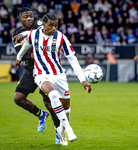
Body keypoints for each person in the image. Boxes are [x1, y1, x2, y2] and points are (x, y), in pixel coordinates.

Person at [16, 13, 91, 146]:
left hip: (59, 75)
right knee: (53, 94)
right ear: (43, 24)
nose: (53, 28)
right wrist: (18, 58)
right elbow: (26, 46)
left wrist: (83, 80)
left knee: (66, 109)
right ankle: (68, 130)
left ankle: (60, 130)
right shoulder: (34, 34)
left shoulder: (61, 37)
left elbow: (72, 59)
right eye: (51, 25)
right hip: (41, 74)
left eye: (56, 25)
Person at [12, 7, 62, 145]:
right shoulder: (16, 34)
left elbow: (45, 31)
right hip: (30, 70)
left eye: (31, 16)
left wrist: (27, 35)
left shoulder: (39, 23)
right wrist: (31, 52)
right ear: (20, 19)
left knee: (50, 104)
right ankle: (41, 115)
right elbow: (22, 54)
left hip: (45, 70)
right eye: (26, 16)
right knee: (18, 98)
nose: (29, 18)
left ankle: (59, 130)